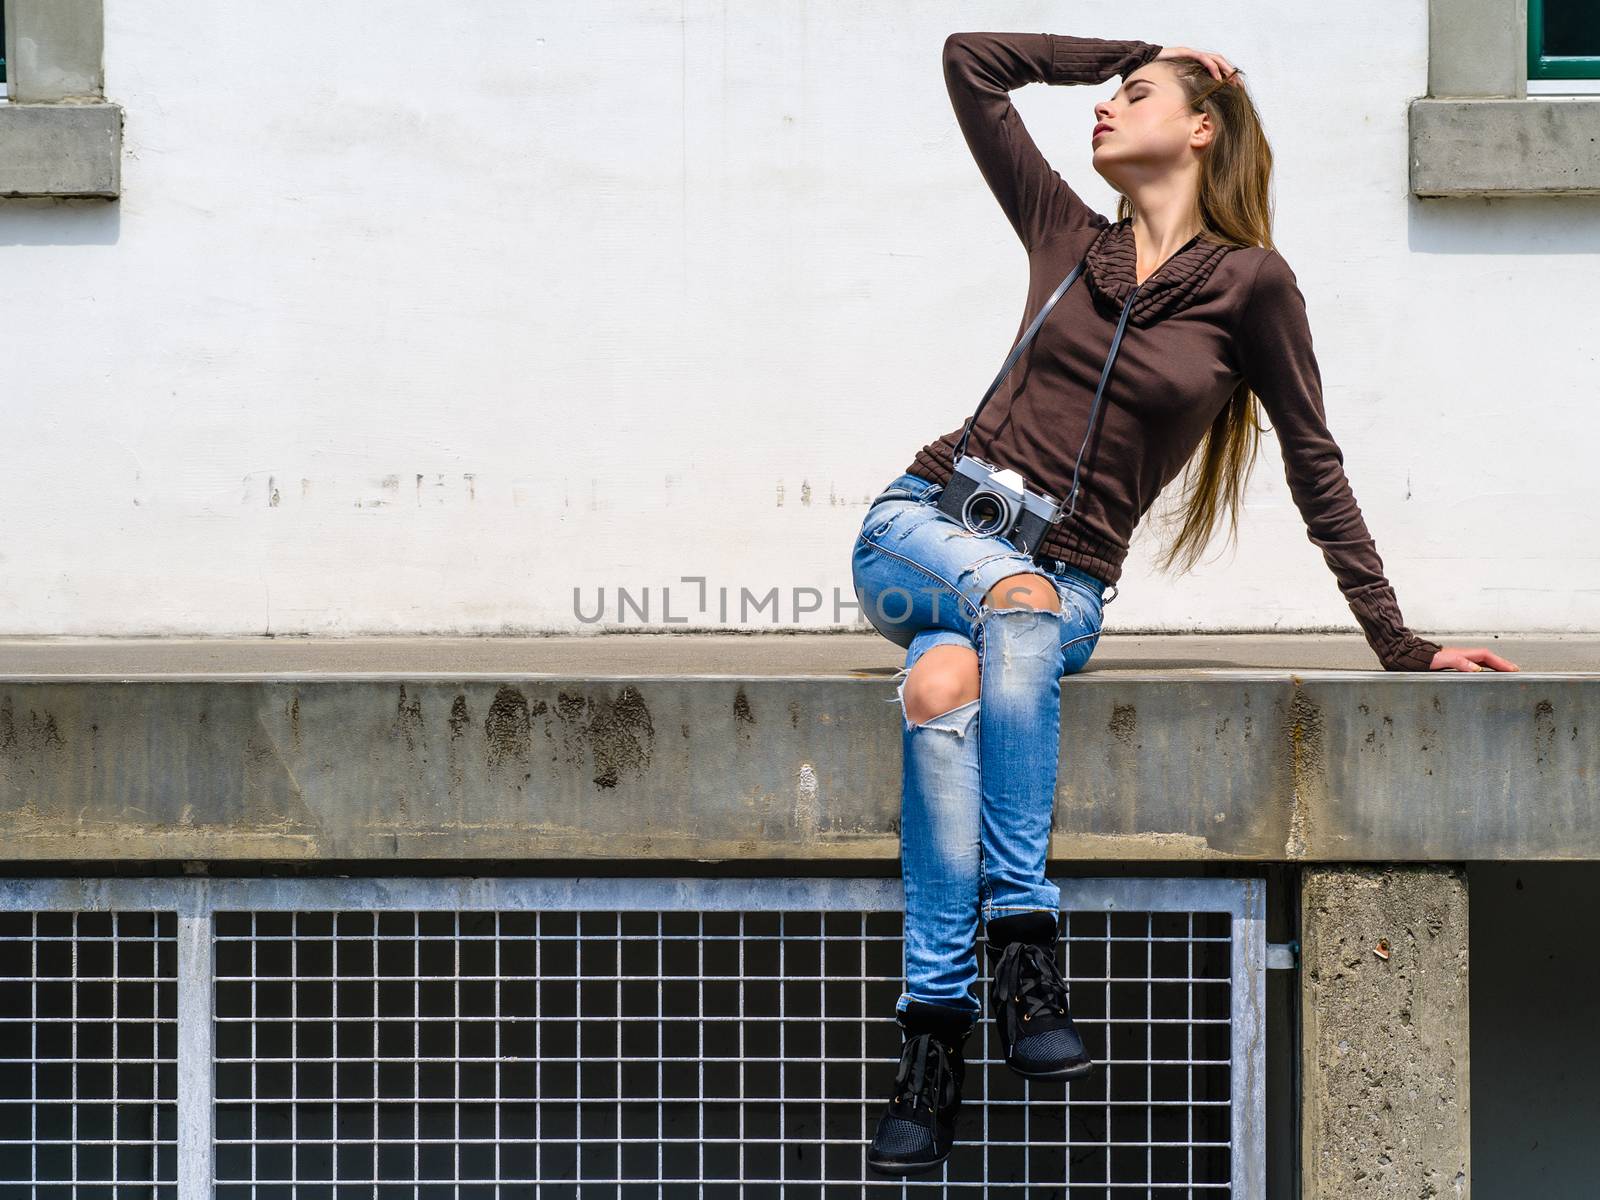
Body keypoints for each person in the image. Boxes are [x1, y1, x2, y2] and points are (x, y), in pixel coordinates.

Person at [853, 29, 1520, 1177]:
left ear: (1200, 130)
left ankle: (932, 1033)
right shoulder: (1065, 232)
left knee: (942, 683)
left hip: (1062, 587)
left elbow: (1315, 463)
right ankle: (1023, 937)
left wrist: (1398, 645)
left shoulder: (1252, 285)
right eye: (1108, 96)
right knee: (1002, 604)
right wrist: (1135, 47)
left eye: (1137, 95)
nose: (1106, 109)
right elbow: (972, 61)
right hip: (919, 533)